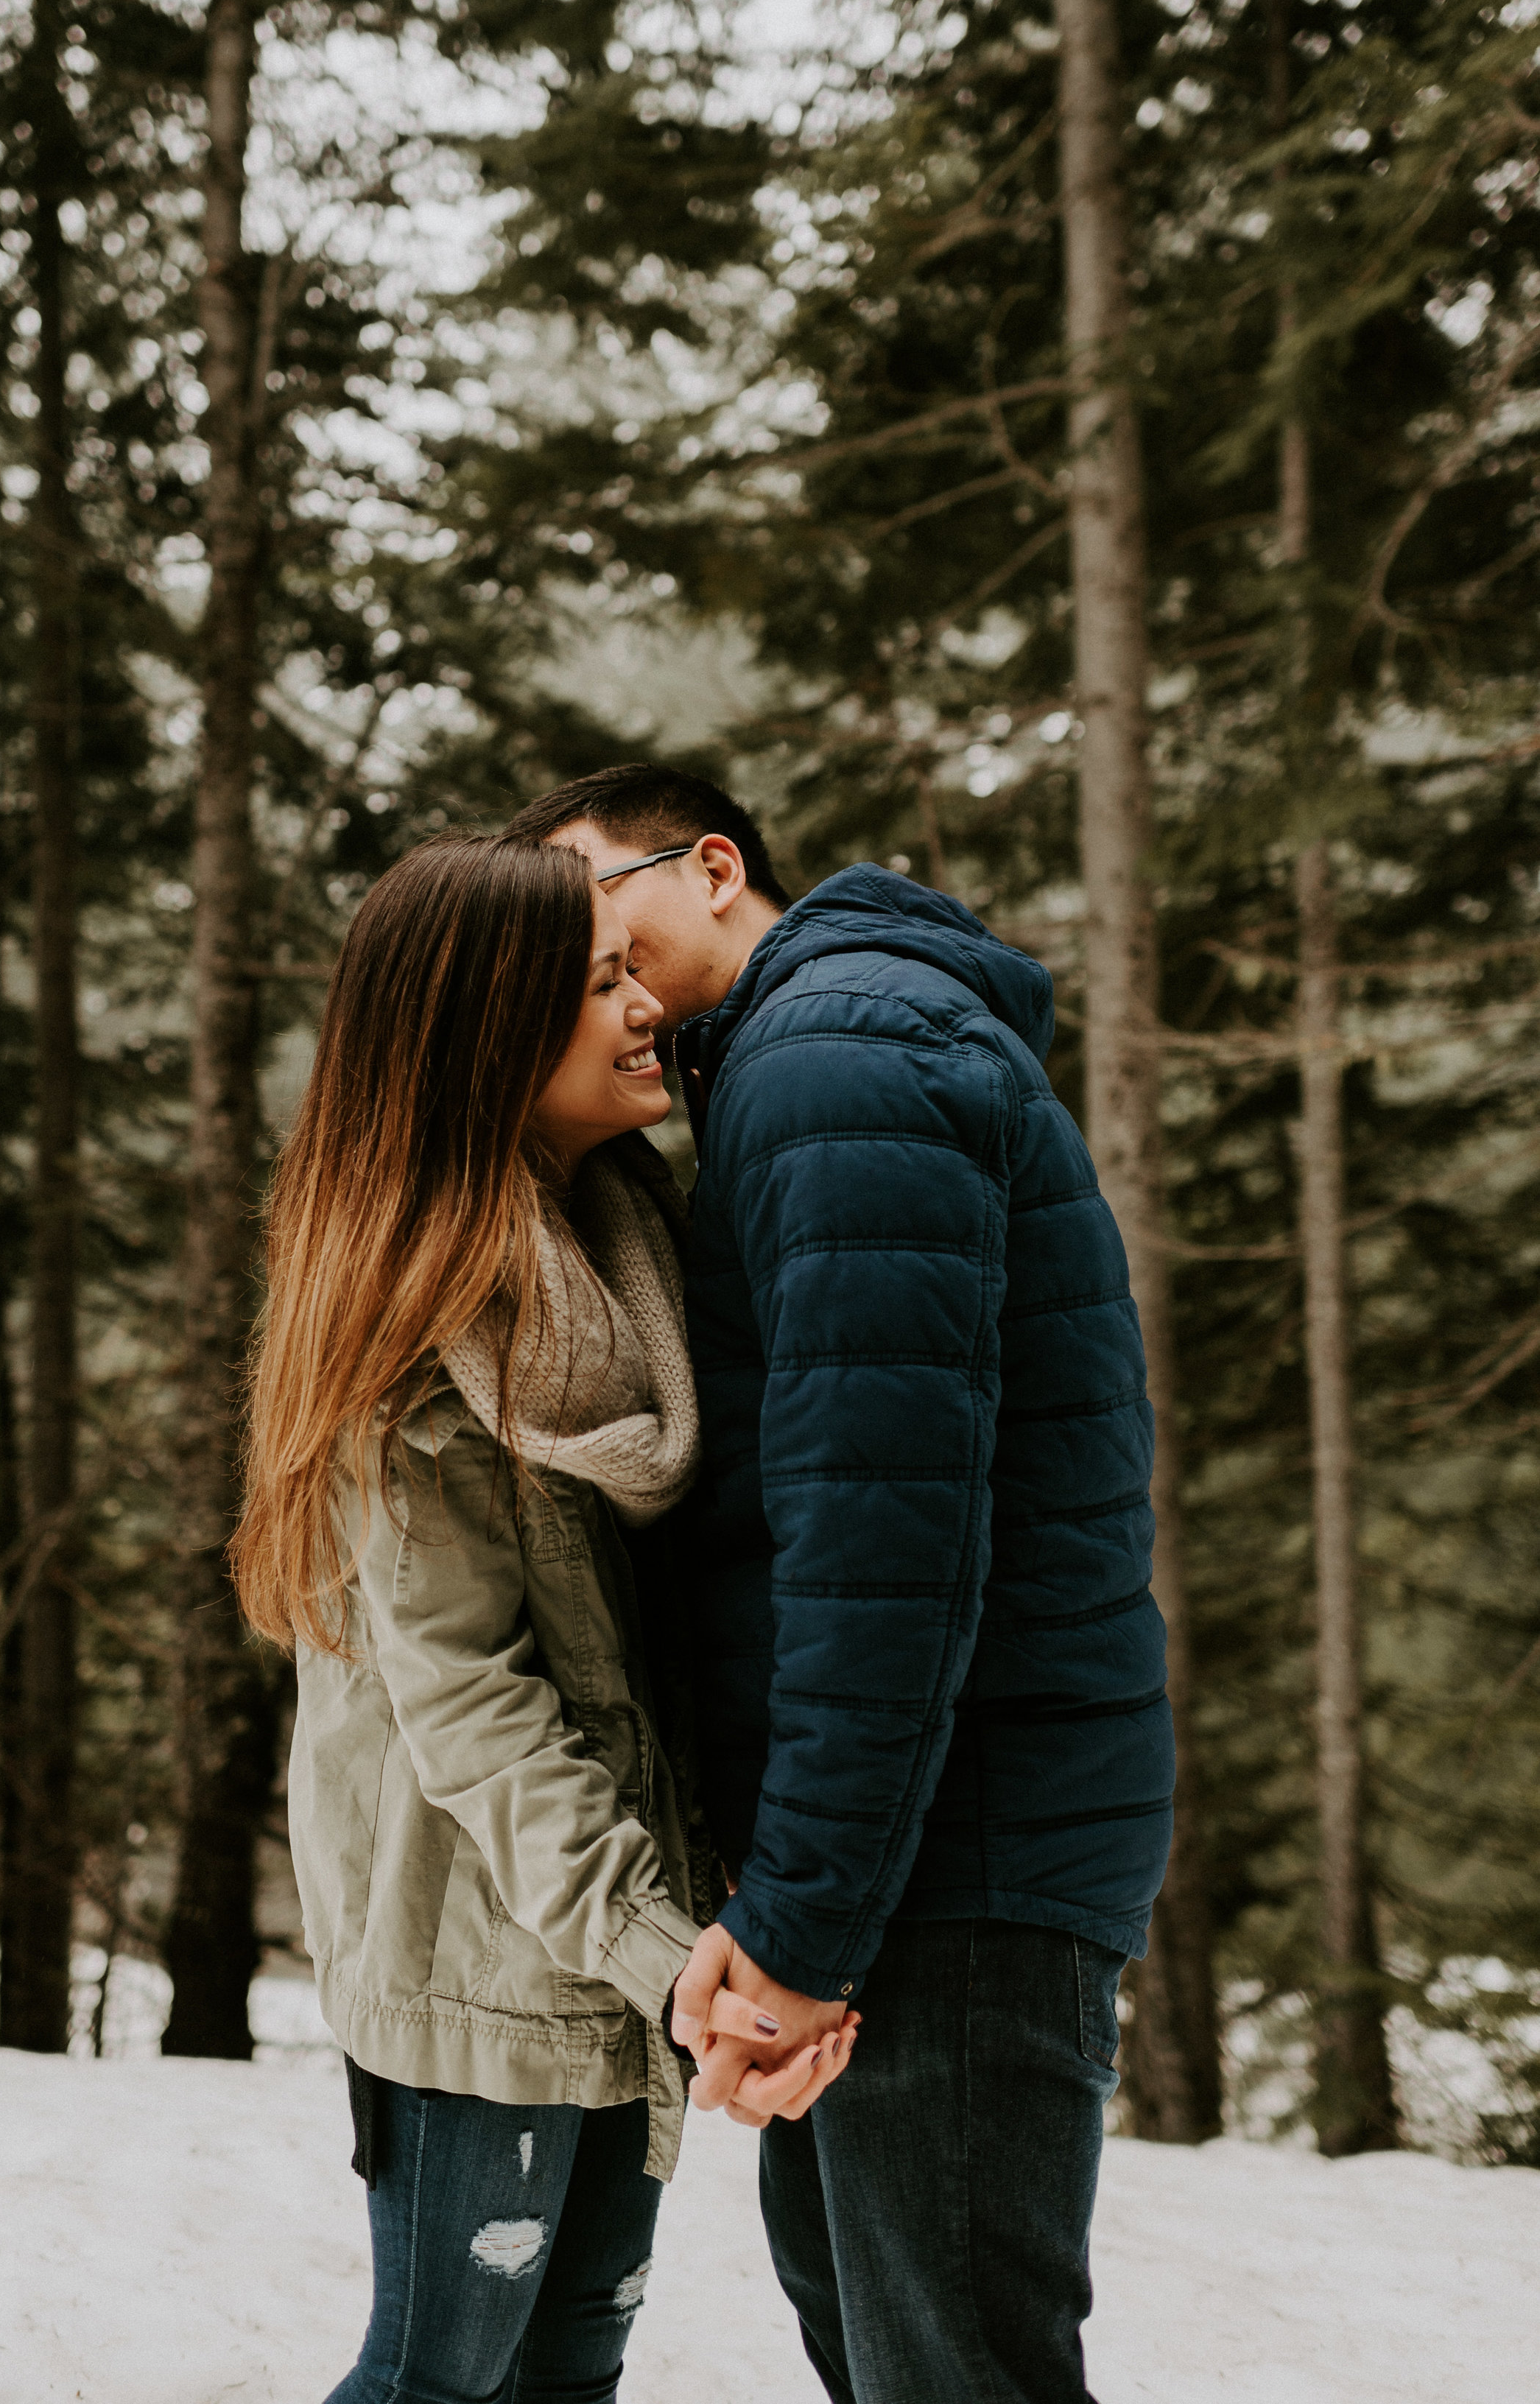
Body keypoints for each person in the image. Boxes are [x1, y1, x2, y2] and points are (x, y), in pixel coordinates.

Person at [503, 766, 1175, 2404]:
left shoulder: (830, 1061)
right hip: (933, 1839)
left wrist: (800, 1923)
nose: (577, 965)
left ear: (712, 865)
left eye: (588, 905)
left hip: (952, 1846)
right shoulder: (817, 1056)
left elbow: (881, 1548)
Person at [231, 832, 855, 2404]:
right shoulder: (416, 1323)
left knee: (569, 2369)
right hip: (477, 1951)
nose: (646, 1003)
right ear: (485, 1034)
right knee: (440, 2374)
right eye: (597, 985)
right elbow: (476, 1706)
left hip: (613, 1927)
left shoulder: (625, 1237)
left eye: (627, 967)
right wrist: (667, 1956)